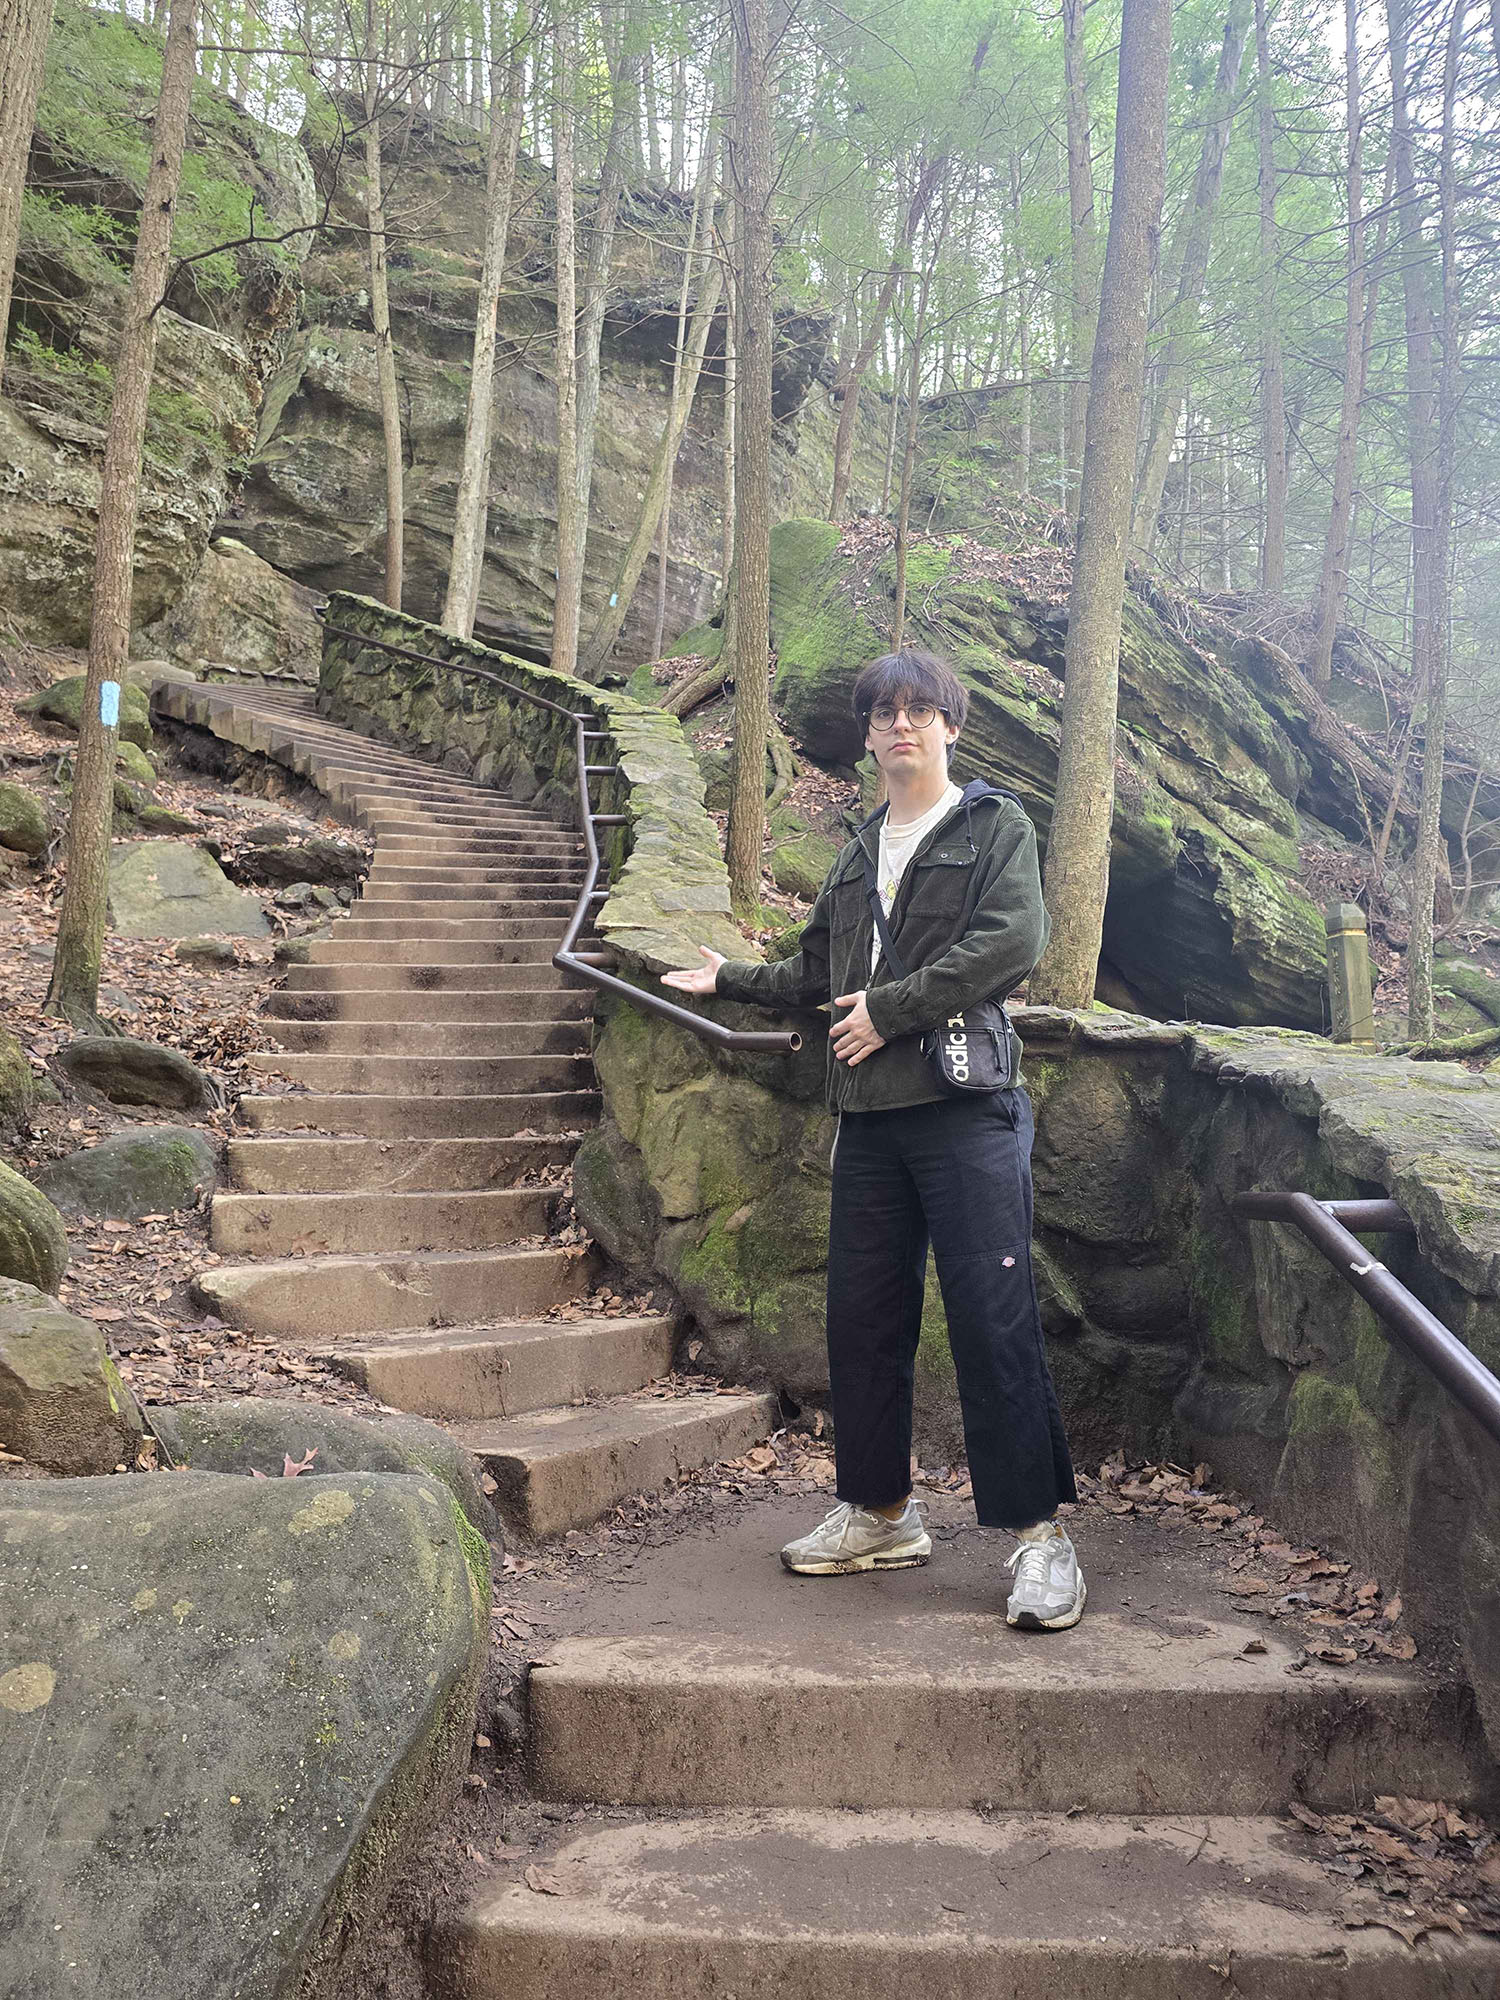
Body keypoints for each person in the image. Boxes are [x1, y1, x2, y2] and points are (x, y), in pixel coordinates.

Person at [662, 647, 1083, 1631]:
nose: (903, 725)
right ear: (867, 735)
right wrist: (728, 977)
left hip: (967, 1108)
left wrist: (891, 1008)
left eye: (920, 709)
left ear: (951, 725)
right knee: (862, 1324)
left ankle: (1037, 1537)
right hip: (870, 1120)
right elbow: (814, 969)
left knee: (992, 1318)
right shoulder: (856, 855)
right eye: (886, 712)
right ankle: (882, 1511)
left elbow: (1012, 944)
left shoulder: (992, 826)